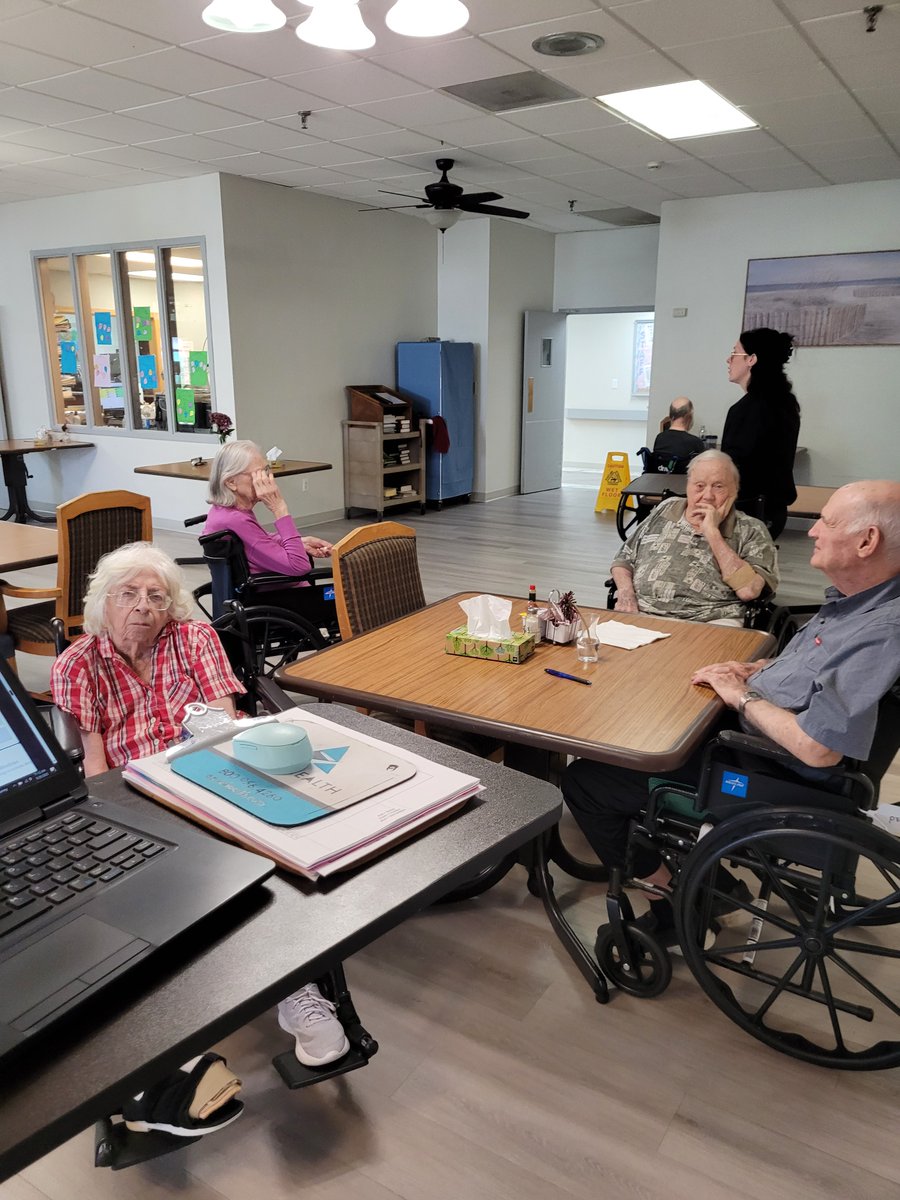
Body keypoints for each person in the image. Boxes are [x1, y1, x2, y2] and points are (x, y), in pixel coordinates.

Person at [50, 543, 350, 1133]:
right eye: (127, 594)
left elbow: (228, 728)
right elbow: (92, 766)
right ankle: (168, 1046)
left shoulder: (193, 640)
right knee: (157, 907)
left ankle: (296, 987)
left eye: (155, 596)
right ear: (102, 603)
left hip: (212, 782)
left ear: (171, 606)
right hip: (135, 800)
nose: (142, 607)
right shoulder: (77, 665)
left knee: (268, 878)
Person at [564, 479, 900, 937]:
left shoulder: (881, 630)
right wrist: (758, 669)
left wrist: (742, 695)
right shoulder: (862, 602)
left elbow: (820, 749)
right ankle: (707, 873)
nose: (815, 530)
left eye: (828, 521)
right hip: (757, 745)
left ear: (867, 541)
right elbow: (822, 674)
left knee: (586, 781)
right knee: (639, 719)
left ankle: (676, 898)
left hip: (764, 772)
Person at [610, 450, 777, 625]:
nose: (707, 496)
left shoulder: (751, 529)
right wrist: (625, 592)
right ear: (688, 486)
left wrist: (712, 532)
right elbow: (623, 558)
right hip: (643, 611)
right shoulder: (666, 509)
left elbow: (748, 590)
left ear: (734, 490)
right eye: (699, 485)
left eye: (718, 486)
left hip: (711, 621)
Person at [204, 440, 333, 582]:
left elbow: (258, 540)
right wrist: (279, 509)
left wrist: (297, 542)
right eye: (258, 474)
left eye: (266, 471)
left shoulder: (224, 511)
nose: (266, 479)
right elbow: (299, 566)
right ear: (231, 482)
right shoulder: (235, 520)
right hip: (280, 596)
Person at [722, 327, 801, 539]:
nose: (728, 360)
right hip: (774, 511)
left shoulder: (745, 410)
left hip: (745, 513)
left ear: (752, 359)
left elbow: (735, 468)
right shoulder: (786, 403)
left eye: (734, 353)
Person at [652, 397, 704, 467]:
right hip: (683, 478)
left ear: (670, 415)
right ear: (689, 416)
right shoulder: (695, 442)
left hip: (659, 477)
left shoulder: (660, 438)